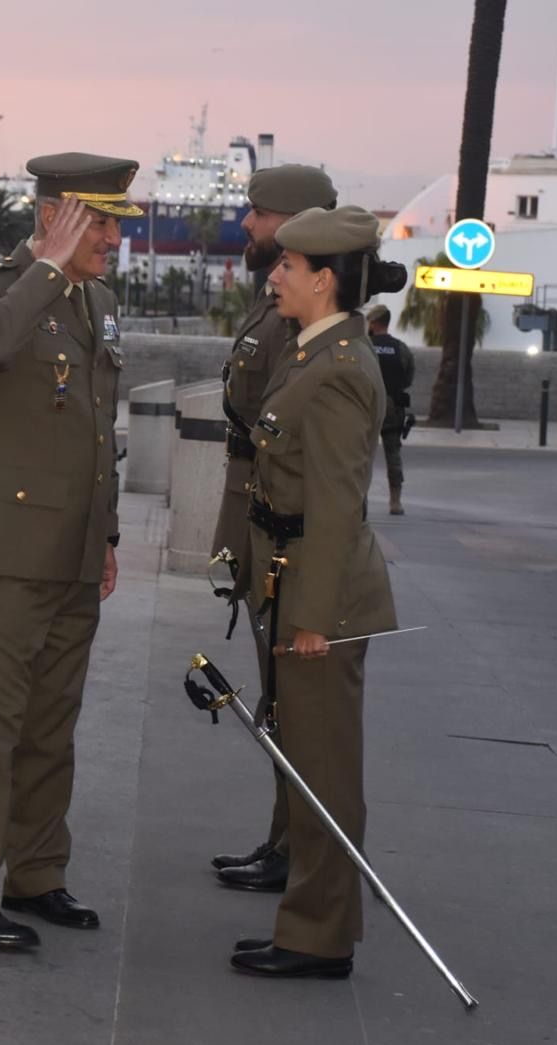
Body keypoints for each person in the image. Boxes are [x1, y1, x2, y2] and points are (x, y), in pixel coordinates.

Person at [0, 153, 140, 952]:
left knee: (53, 721)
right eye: (101, 222)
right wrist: (43, 268)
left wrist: (106, 535)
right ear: (54, 216)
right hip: (6, 547)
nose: (114, 238)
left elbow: (94, 425)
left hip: (72, 549)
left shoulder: (100, 300)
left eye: (116, 224)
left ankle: (38, 871)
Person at [228, 205, 401, 979]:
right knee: (307, 764)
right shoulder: (315, 351)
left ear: (324, 280)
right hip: (296, 582)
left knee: (322, 774)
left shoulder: (335, 371)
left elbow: (333, 505)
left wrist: (309, 619)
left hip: (321, 600)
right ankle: (309, 921)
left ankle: (320, 936)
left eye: (288, 268)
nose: (275, 276)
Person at [208, 164, 338, 896]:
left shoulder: (305, 317)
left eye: (258, 214)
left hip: (282, 523)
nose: (248, 225)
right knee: (276, 695)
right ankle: (282, 841)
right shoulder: (274, 301)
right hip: (254, 508)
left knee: (292, 699)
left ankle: (297, 851)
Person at [366, 303, 416, 512]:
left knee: (362, 455)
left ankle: (360, 501)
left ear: (374, 322)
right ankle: (395, 501)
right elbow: (408, 378)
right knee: (393, 455)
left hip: (366, 406)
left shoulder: (364, 345)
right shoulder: (400, 348)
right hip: (392, 408)